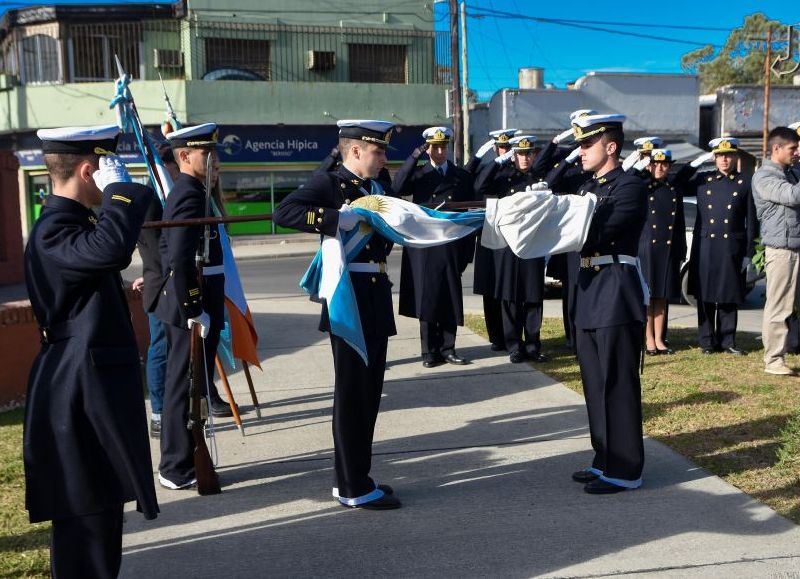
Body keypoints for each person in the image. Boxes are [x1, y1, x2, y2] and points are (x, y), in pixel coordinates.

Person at [24, 124, 159, 577]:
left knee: (101, 509)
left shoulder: (75, 224)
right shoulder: (53, 229)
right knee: (87, 519)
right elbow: (110, 251)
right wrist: (121, 192)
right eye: (105, 169)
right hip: (75, 389)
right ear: (88, 171)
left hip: (90, 383)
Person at [273, 120, 401, 510]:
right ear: (355, 151)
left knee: (368, 393)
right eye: (377, 152)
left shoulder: (378, 187)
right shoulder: (332, 184)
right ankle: (353, 487)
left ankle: (354, 475)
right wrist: (333, 219)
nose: (383, 159)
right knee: (352, 394)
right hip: (349, 295)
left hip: (376, 292)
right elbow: (285, 212)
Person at [566, 113, 648, 494]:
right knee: (595, 383)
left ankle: (626, 468)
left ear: (610, 146)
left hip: (616, 289)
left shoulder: (630, 186)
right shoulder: (587, 188)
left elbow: (598, 231)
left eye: (586, 144)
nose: (579, 151)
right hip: (588, 290)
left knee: (618, 382)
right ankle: (605, 458)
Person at [153, 123, 232, 491]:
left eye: (214, 152)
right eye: (206, 153)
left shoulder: (196, 190)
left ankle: (183, 458)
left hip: (202, 295)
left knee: (193, 383)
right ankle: (176, 465)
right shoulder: (187, 192)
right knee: (183, 385)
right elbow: (178, 256)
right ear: (184, 157)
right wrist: (193, 307)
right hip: (193, 303)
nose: (214, 160)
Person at [392, 126, 474, 367]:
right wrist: (415, 154)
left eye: (443, 146)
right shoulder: (419, 174)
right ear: (428, 148)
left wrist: (467, 252)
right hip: (425, 245)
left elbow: (469, 213)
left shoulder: (461, 176)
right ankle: (429, 351)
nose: (440, 151)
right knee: (427, 298)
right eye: (434, 147)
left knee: (449, 297)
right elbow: (397, 187)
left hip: (450, 243)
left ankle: (448, 348)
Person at [476, 135, 549, 363]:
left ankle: (533, 345)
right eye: (520, 153)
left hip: (533, 245)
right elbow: (480, 185)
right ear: (513, 155)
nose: (525, 158)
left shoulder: (539, 178)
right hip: (508, 245)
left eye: (528, 153)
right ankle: (514, 344)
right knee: (510, 297)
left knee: (533, 297)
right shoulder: (503, 178)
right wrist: (499, 161)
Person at [686, 137, 757, 355]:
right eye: (719, 156)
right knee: (705, 295)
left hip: (730, 246)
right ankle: (707, 341)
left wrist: (749, 251)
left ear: (735, 157)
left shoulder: (745, 181)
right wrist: (696, 162)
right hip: (706, 245)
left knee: (728, 294)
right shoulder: (703, 180)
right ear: (714, 158)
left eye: (728, 155)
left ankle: (728, 341)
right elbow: (677, 183)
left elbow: (752, 220)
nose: (724, 160)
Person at [133, 144, 180, 438]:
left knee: (178, 351)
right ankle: (160, 412)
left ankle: (177, 407)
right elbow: (154, 248)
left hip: (172, 282)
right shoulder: (152, 198)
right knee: (161, 349)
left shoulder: (171, 193)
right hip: (163, 285)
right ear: (166, 166)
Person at [752, 127, 800, 375]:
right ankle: (773, 359)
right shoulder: (764, 177)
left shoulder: (791, 172)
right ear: (776, 149)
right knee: (779, 306)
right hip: (781, 250)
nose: (797, 153)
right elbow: (792, 196)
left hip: (795, 246)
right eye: (793, 149)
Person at [636, 148, 694, 355]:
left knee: (662, 297)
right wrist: (639, 164)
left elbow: (677, 224)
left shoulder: (673, 188)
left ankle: (660, 338)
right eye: (655, 164)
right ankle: (648, 338)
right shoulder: (643, 187)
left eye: (664, 164)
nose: (659, 168)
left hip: (667, 249)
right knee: (649, 296)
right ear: (648, 165)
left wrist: (681, 249)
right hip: (647, 249)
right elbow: (630, 178)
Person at [469, 128, 517, 351]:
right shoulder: (490, 170)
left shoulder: (517, 170)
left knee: (508, 289)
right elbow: (478, 185)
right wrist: (492, 161)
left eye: (509, 148)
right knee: (490, 288)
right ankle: (496, 337)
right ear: (496, 148)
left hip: (511, 235)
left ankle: (510, 336)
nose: (505, 152)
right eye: (501, 148)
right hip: (489, 233)